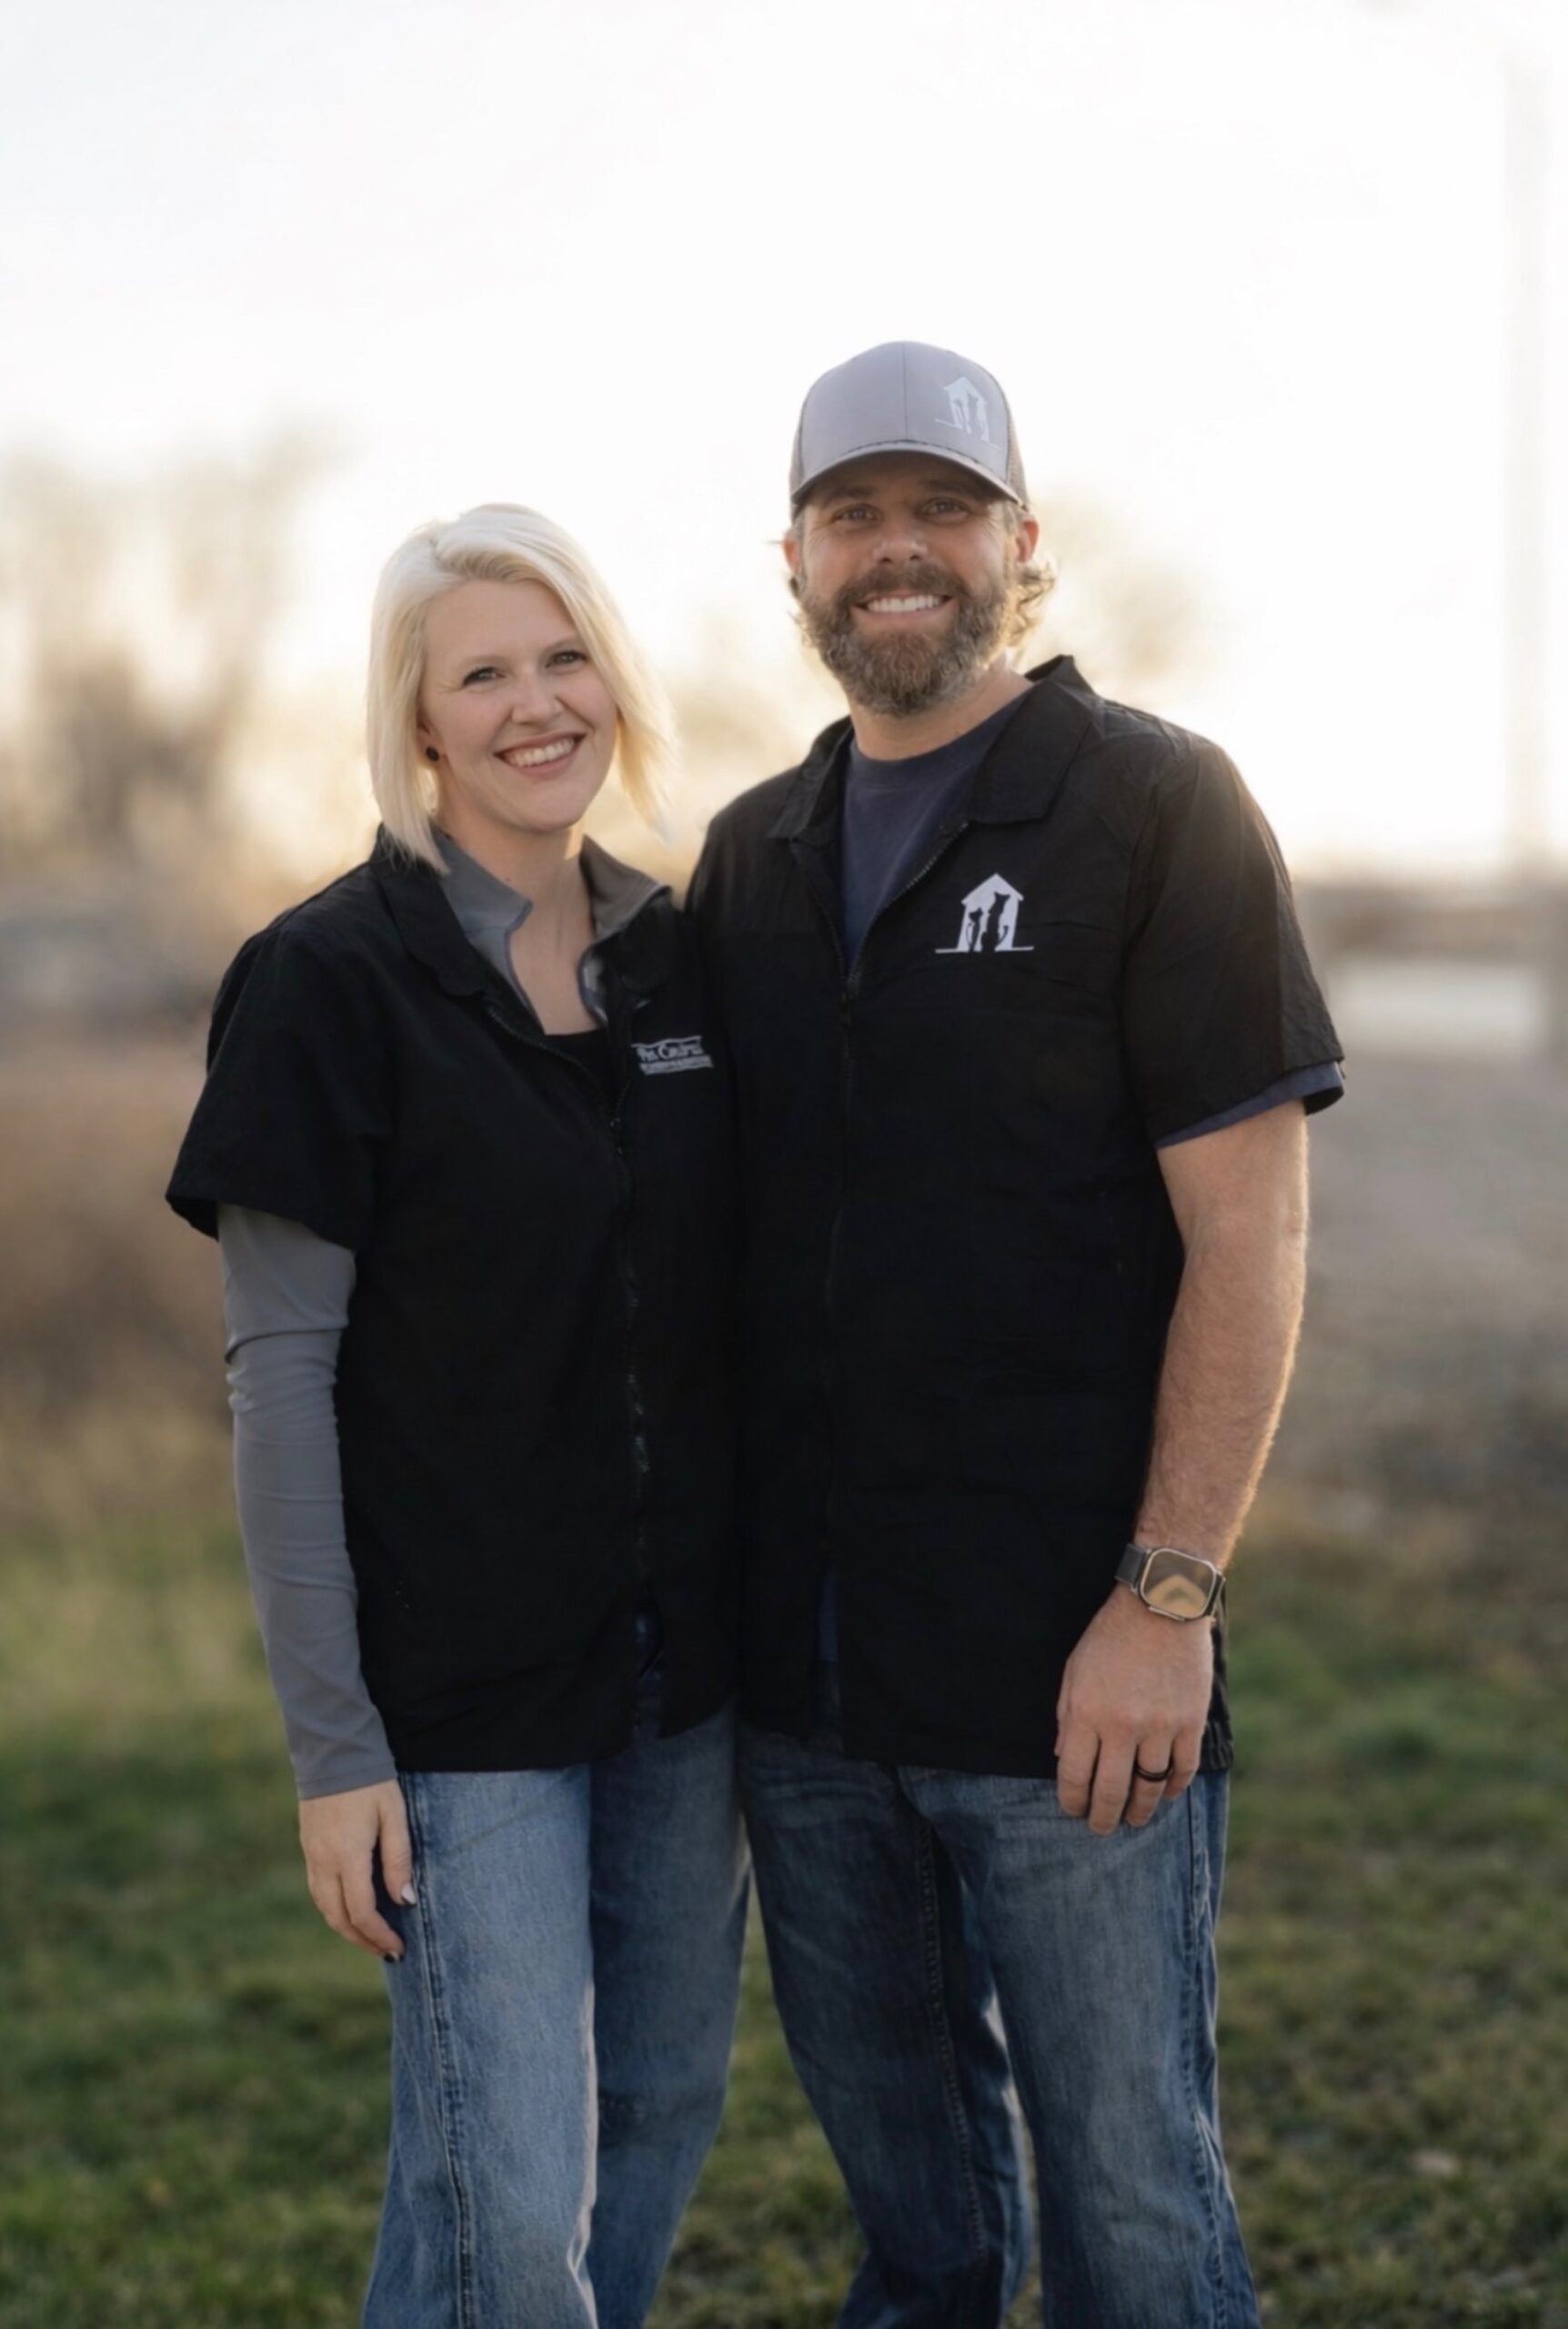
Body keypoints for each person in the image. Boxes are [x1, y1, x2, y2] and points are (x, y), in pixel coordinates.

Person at [688, 342, 1345, 2329]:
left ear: (1020, 542)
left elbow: (1251, 1236)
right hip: (804, 1695)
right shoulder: (750, 856)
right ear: (794, 560)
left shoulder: (1151, 803)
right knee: (920, 2241)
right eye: (853, 517)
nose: (898, 552)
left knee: (1136, 2233)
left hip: (1077, 1680)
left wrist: (1168, 1594)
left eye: (940, 512)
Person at [166, 504, 748, 2329]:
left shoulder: (678, 960)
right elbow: (280, 1382)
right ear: (416, 722)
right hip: (461, 1704)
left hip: (681, 1680)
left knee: (650, 2111)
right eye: (482, 672)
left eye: (565, 657)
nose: (535, 702)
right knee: (512, 2184)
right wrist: (333, 1747)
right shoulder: (326, 980)